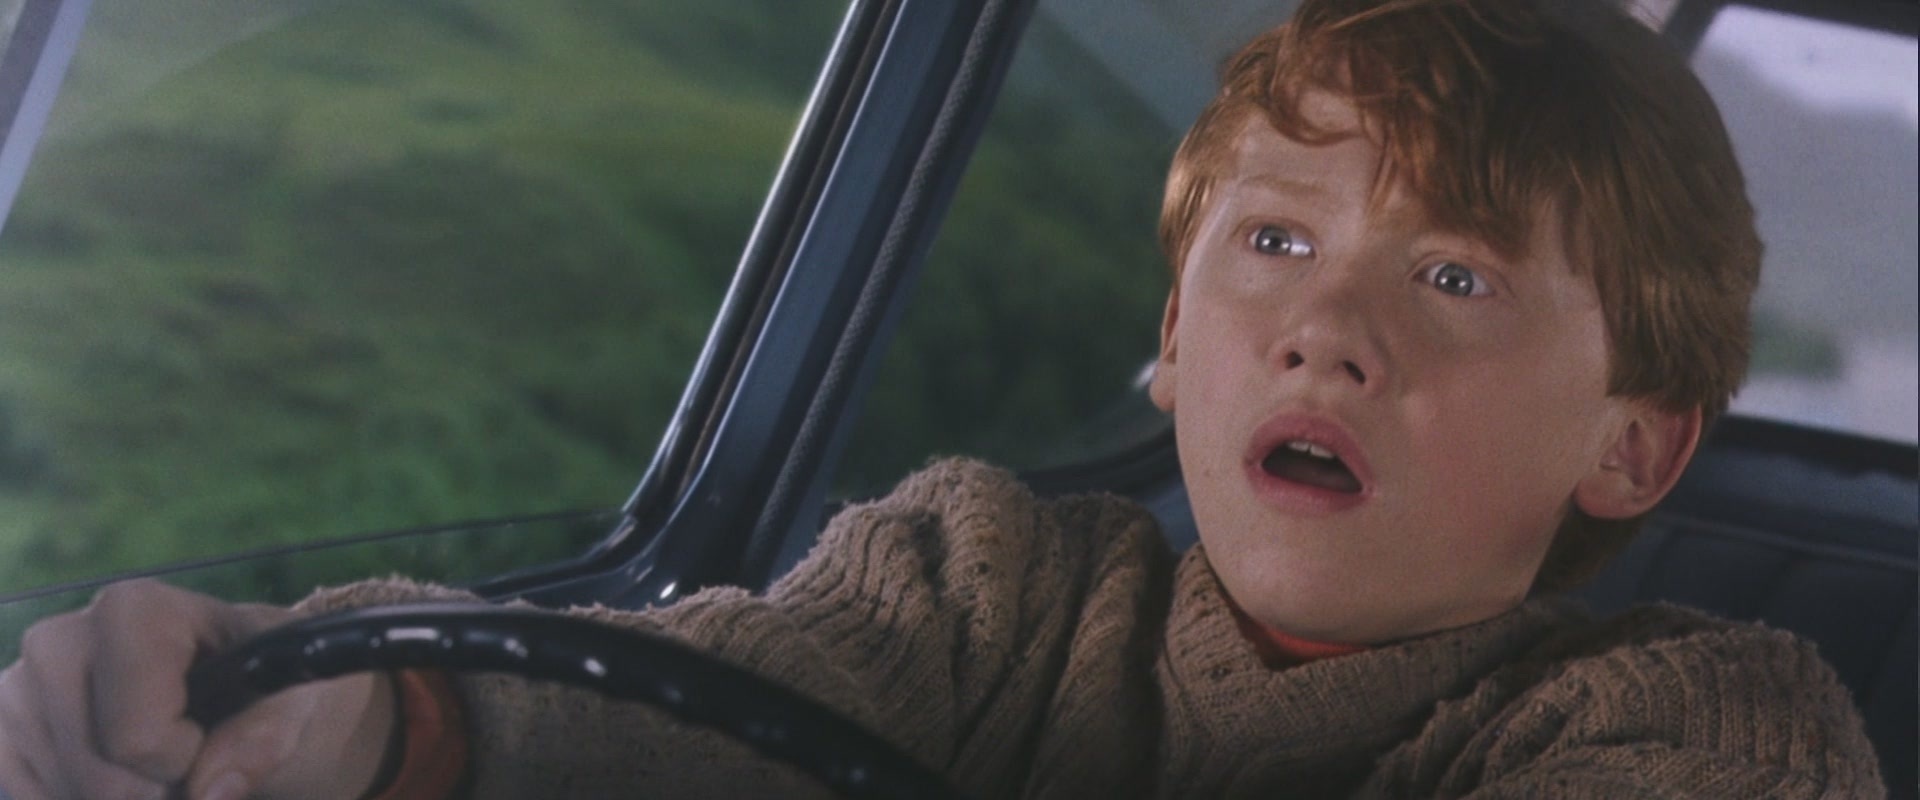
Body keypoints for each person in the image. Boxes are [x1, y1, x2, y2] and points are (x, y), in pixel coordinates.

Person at [0, 0, 1887, 797]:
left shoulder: (1708, 720)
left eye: (1455, 278)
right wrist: (356, 718)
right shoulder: (991, 581)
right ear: (1174, 337)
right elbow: (678, 711)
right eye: (1273, 244)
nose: (1325, 331)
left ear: (1635, 442)